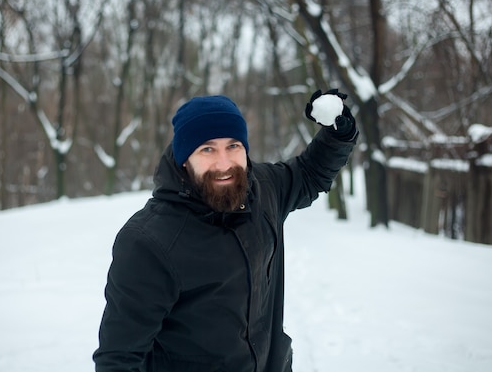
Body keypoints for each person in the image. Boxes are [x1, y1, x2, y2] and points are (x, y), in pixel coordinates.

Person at [93, 89, 358, 372]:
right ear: (184, 158)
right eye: (207, 149)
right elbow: (118, 359)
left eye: (233, 146)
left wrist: (338, 133)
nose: (224, 163)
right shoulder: (149, 242)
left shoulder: (263, 189)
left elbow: (307, 174)